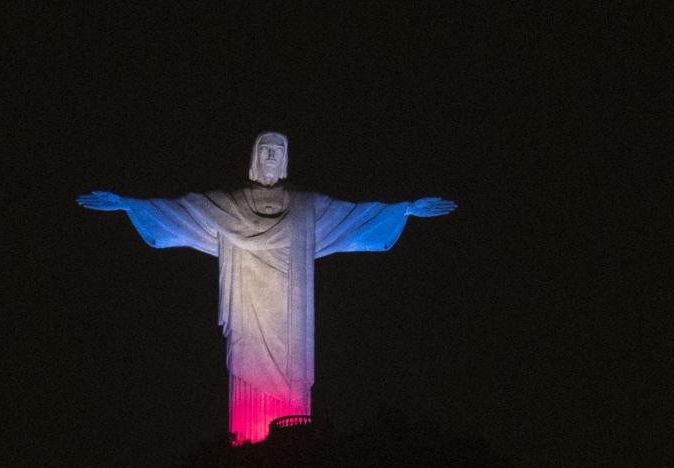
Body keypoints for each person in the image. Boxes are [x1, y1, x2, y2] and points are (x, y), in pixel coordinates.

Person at [77, 132, 456, 444]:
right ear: (256, 158)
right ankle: (248, 450)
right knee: (249, 423)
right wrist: (129, 205)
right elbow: (182, 211)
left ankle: (291, 450)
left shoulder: (307, 207)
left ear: (286, 159)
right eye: (266, 151)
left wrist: (402, 210)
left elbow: (353, 216)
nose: (273, 157)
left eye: (279, 152)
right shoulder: (231, 205)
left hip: (290, 329)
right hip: (249, 320)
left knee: (292, 429)